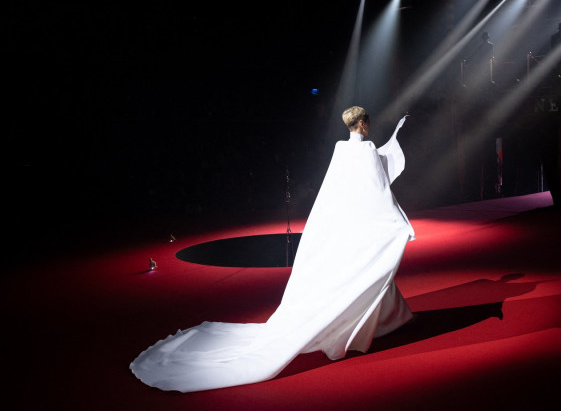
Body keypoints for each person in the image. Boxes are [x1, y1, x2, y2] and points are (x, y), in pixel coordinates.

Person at [130, 107, 415, 392]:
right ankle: (376, 324)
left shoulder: (341, 148)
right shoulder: (365, 151)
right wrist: (400, 223)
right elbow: (378, 190)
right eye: (368, 123)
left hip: (342, 224)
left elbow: (339, 190)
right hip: (360, 224)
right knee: (368, 268)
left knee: (360, 273)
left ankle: (387, 319)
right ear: (363, 123)